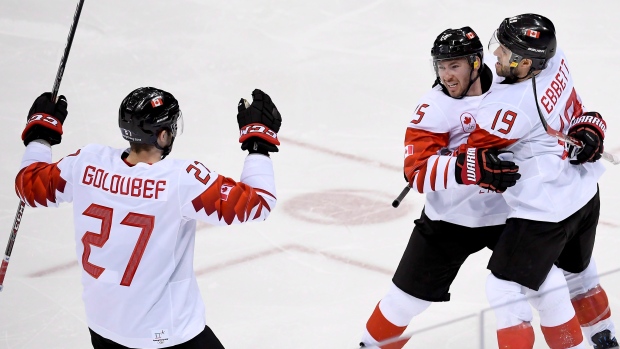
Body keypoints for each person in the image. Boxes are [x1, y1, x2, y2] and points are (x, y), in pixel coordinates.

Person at [15, 87, 282, 349]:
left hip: (103, 328)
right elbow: (259, 202)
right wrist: (257, 144)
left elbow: (28, 187)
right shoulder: (181, 180)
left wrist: (40, 136)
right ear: (163, 135)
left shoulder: (86, 162)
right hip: (166, 335)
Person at [359, 27, 521, 348]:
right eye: (441, 67)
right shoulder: (433, 107)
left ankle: (602, 334)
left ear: (476, 63)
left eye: (455, 66)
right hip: (449, 220)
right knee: (403, 302)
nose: (446, 75)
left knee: (555, 282)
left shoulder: (508, 83)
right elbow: (416, 172)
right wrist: (468, 167)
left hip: (508, 215)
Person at [463, 13, 617, 349]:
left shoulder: (510, 105)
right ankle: (605, 340)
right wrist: (590, 129)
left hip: (544, 214)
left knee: (503, 288)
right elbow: (579, 112)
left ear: (524, 61)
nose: (496, 55)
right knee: (580, 275)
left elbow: (469, 151)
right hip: (584, 195)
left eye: (504, 51)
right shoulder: (555, 60)